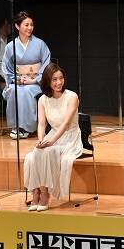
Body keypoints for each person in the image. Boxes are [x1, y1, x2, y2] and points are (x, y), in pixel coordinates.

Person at [23, 63, 81, 211]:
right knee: (32, 155)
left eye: (61, 78)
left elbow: (66, 124)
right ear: (47, 81)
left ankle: (44, 193)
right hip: (52, 134)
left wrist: (52, 141)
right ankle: (36, 191)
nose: (59, 82)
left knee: (46, 151)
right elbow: (41, 124)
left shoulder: (72, 97)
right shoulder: (43, 99)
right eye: (54, 79)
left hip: (70, 137)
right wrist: (41, 139)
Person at [1, 11, 51, 139]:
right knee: (14, 90)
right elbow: (6, 67)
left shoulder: (40, 44)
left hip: (35, 82)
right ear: (17, 26)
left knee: (27, 91)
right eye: (26, 25)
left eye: (31, 25)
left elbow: (46, 64)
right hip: (18, 81)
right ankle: (15, 127)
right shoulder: (10, 46)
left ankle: (27, 127)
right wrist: (15, 79)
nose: (30, 28)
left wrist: (34, 80)